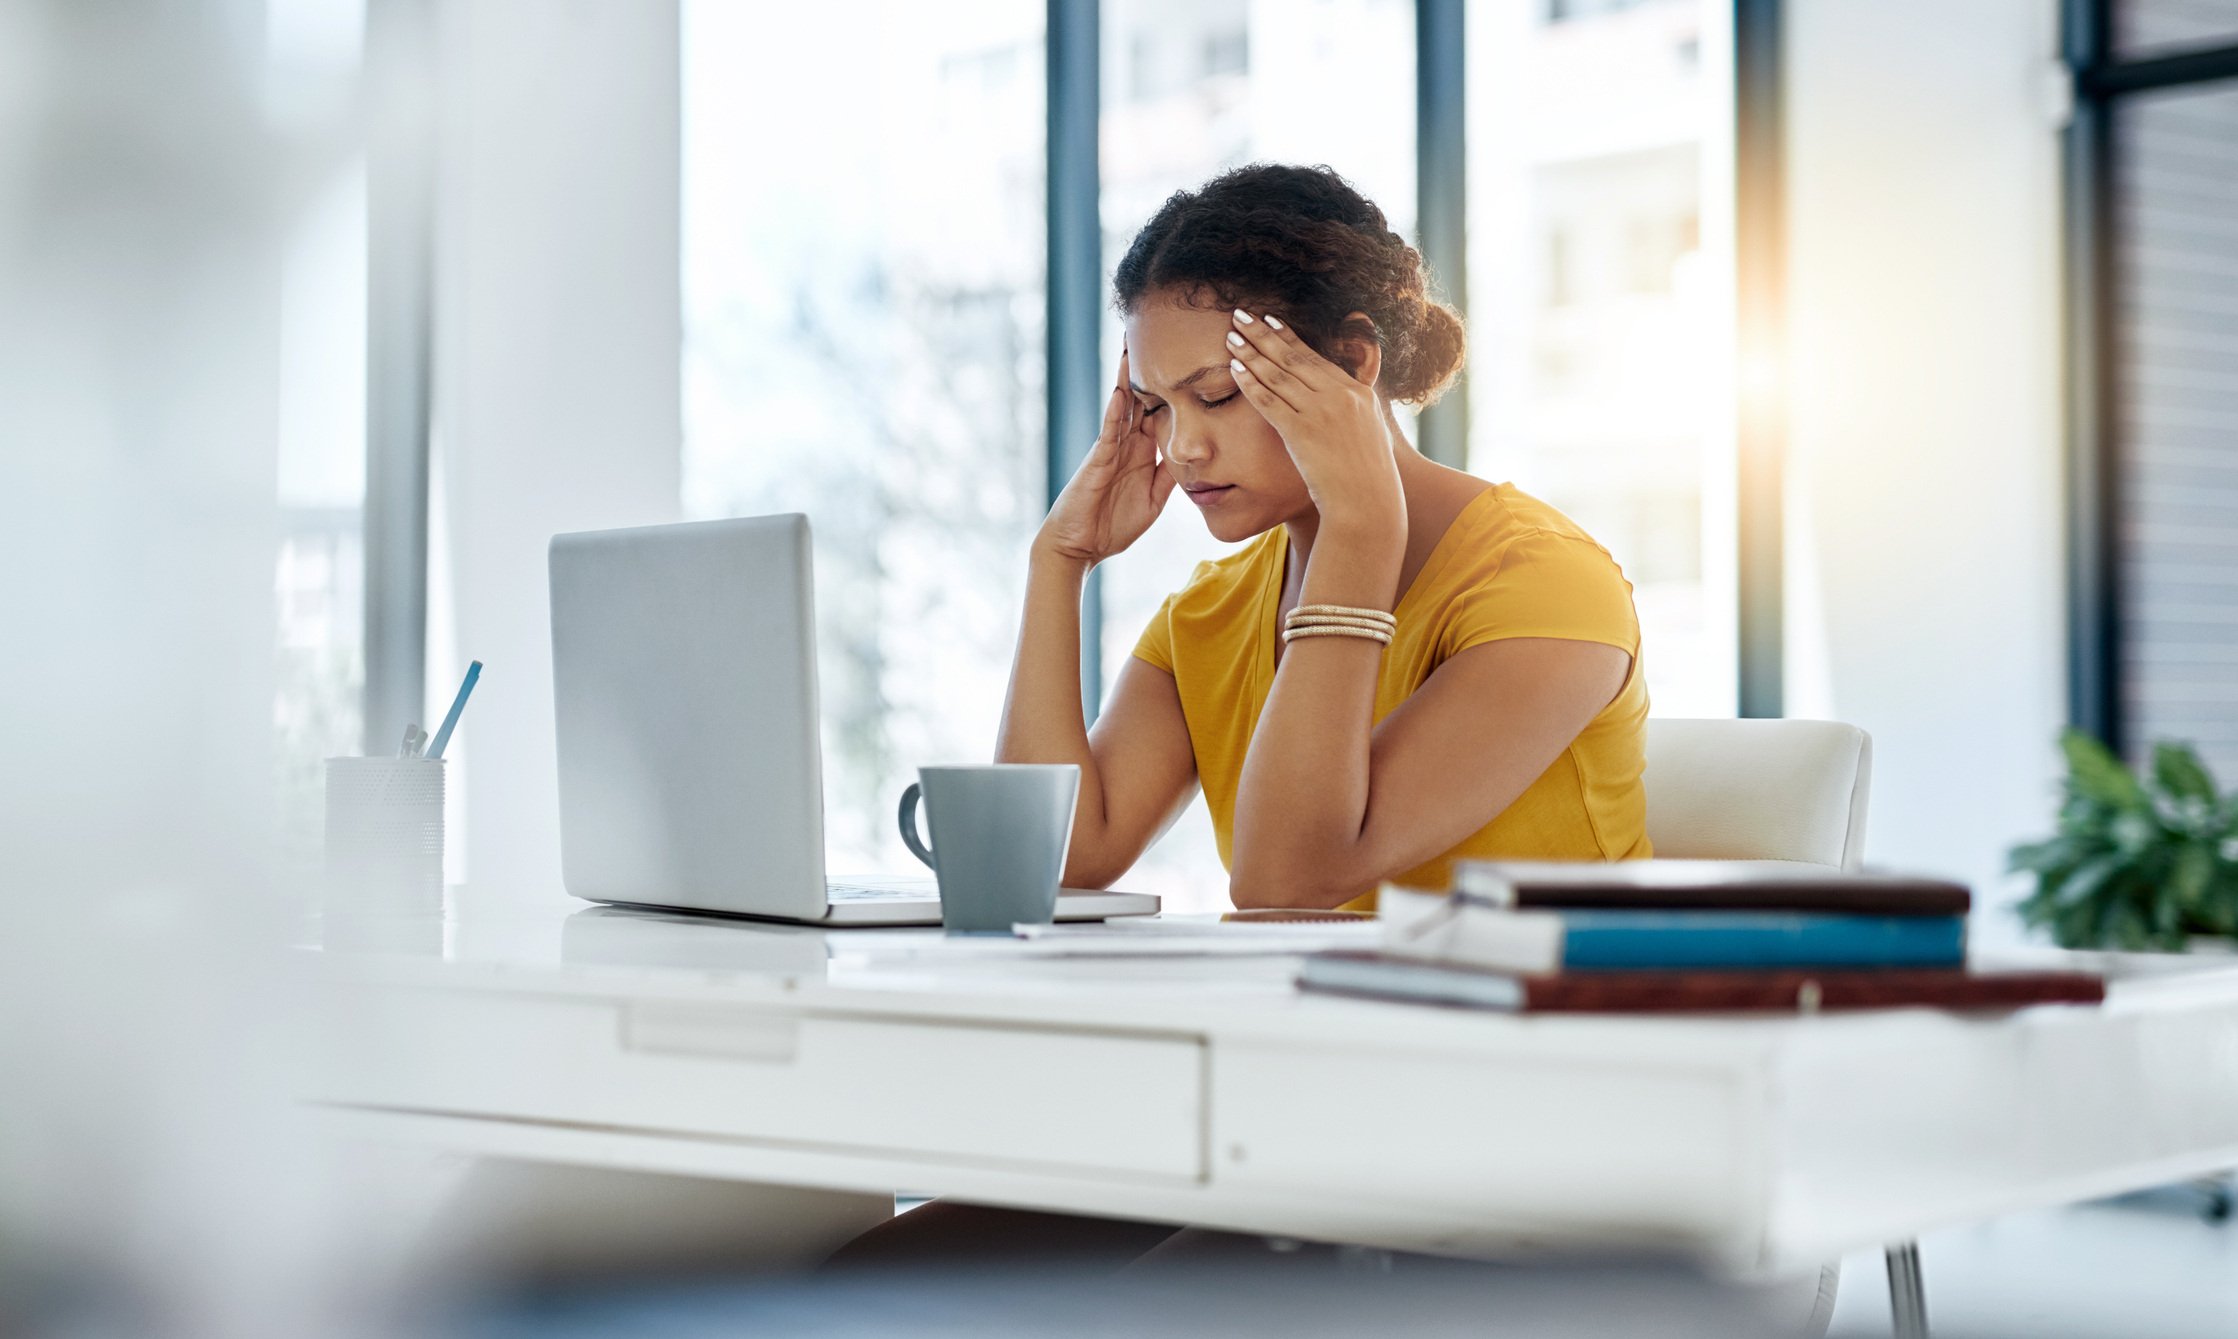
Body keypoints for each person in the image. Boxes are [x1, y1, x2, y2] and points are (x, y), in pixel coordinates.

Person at [996, 162, 1650, 913]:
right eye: (1155, 407)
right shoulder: (1210, 614)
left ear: (1352, 362)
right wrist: (1058, 560)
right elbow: (1048, 858)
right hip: (1307, 1024)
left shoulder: (1546, 583)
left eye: (1217, 395)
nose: (1182, 448)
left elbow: (1287, 881)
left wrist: (1361, 525)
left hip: (1544, 1026)